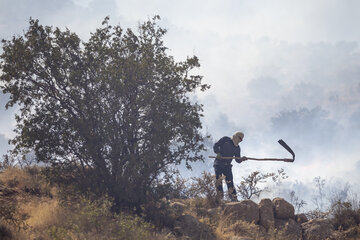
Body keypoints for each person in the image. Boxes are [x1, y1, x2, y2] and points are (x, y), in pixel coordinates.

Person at [213, 131, 247, 201]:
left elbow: (237, 160)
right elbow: (215, 145)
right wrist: (218, 153)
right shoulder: (225, 139)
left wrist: (242, 159)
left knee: (230, 181)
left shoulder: (237, 148)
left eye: (241, 140)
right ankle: (220, 198)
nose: (240, 141)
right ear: (235, 136)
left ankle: (233, 198)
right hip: (218, 164)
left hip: (227, 166)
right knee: (219, 181)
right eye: (239, 138)